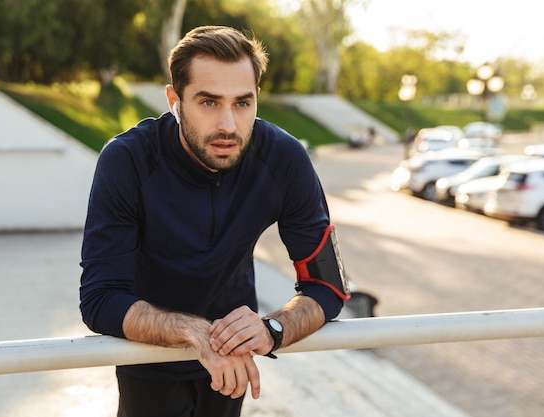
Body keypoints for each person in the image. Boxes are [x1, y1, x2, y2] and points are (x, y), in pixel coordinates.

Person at [79, 25, 349, 417]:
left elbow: (328, 286)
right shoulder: (128, 160)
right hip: (148, 360)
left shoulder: (284, 159)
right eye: (208, 102)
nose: (228, 125)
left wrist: (273, 329)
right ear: (175, 99)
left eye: (243, 103)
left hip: (234, 360)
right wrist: (195, 333)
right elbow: (100, 298)